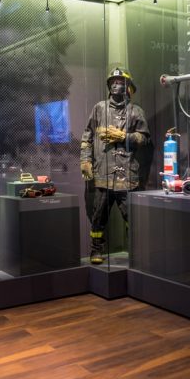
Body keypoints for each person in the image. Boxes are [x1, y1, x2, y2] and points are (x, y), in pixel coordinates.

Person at [80, 67, 150, 264]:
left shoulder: (136, 111)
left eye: (120, 81)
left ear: (128, 86)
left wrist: (124, 136)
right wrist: (85, 160)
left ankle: (135, 251)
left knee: (131, 216)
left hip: (127, 175)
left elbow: (145, 139)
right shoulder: (99, 108)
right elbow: (87, 137)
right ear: (109, 85)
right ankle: (96, 250)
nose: (116, 84)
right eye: (113, 81)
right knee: (98, 216)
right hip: (103, 172)